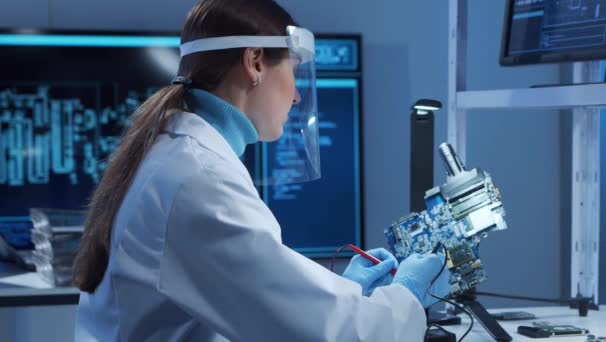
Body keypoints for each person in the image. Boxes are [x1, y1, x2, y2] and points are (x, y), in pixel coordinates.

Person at [72, 0, 450, 341]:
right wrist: (407, 297)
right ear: (254, 63)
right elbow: (334, 335)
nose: (297, 95)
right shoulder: (198, 178)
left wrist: (343, 290)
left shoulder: (174, 151)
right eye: (294, 73)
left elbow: (251, 297)